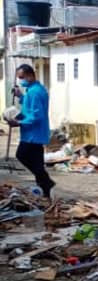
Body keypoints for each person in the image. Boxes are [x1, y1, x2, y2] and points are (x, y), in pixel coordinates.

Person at [8, 64, 54, 199]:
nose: (21, 81)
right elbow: (29, 106)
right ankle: (45, 188)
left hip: (33, 134)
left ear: (30, 75)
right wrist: (20, 97)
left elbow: (36, 115)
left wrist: (19, 122)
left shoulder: (35, 92)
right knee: (37, 162)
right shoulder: (33, 90)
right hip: (33, 133)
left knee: (22, 155)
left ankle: (47, 182)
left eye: (22, 77)